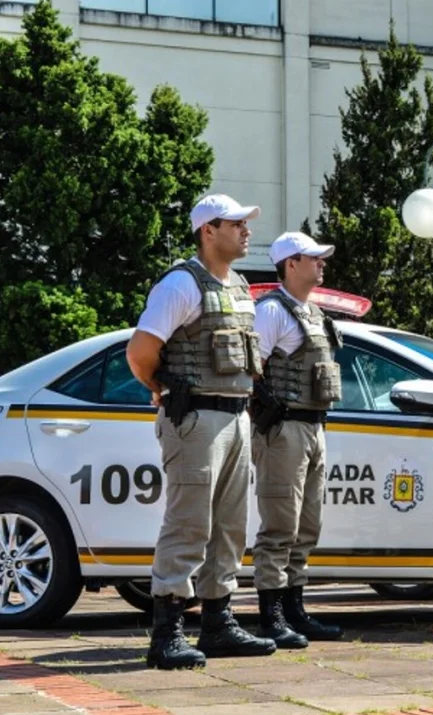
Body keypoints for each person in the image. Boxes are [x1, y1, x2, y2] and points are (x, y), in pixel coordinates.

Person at [126, 194, 276, 670]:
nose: (245, 230)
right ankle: (166, 632)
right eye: (235, 223)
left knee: (229, 528)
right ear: (207, 231)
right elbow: (141, 350)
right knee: (188, 523)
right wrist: (162, 388)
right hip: (195, 420)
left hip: (235, 416)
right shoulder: (181, 284)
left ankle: (218, 623)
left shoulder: (238, 286)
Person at [250, 231, 344, 646]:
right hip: (284, 427)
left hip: (313, 425)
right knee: (279, 526)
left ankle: (294, 611)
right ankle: (271, 617)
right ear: (290, 264)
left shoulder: (313, 312)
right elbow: (252, 371)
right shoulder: (272, 312)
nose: (322, 264)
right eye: (313, 258)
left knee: (308, 525)